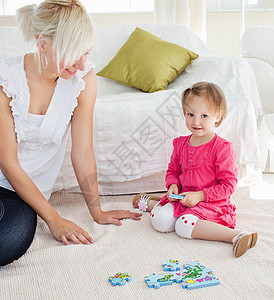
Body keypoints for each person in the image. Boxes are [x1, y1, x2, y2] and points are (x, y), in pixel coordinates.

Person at [0, 0, 141, 266]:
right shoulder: (5, 78)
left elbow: (83, 152)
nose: (81, 62)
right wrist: (54, 219)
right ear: (43, 44)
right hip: (4, 177)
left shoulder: (83, 79)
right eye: (73, 52)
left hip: (18, 196)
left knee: (12, 236)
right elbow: (7, 162)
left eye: (85, 52)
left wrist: (96, 211)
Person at [133, 82, 258, 258]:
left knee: (183, 226)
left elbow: (228, 185)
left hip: (210, 203)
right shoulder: (180, 144)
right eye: (190, 114)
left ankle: (236, 236)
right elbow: (173, 171)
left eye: (204, 115)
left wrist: (200, 196)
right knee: (160, 222)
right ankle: (154, 203)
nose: (196, 121)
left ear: (218, 115)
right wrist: (173, 185)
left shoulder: (222, 148)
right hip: (183, 199)